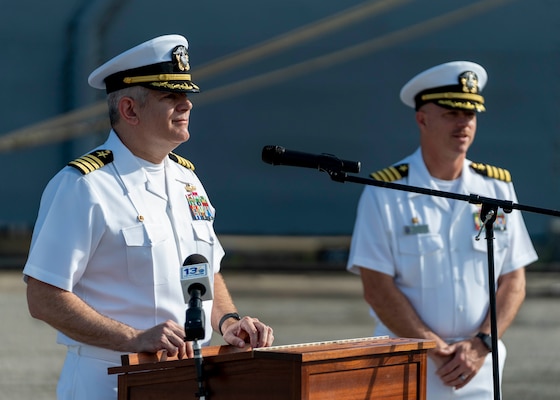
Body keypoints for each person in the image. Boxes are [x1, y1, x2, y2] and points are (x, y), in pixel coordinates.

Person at [23, 34, 274, 399]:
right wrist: (134, 338)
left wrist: (229, 322)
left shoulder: (188, 179)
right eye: (170, 97)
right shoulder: (84, 186)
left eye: (186, 96)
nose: (186, 104)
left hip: (192, 377)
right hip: (109, 380)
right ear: (129, 110)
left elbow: (204, 270)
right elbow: (43, 296)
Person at [346, 61, 537, 399]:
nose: (464, 122)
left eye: (471, 114)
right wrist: (435, 348)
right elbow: (376, 287)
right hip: (408, 361)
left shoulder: (497, 188)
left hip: (480, 365)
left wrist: (481, 344)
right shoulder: (386, 191)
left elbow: (514, 278)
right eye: (451, 112)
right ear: (422, 119)